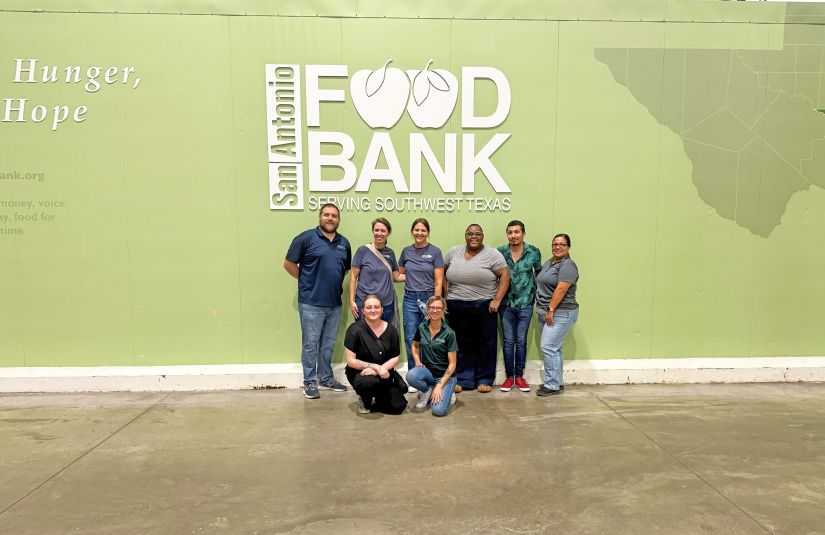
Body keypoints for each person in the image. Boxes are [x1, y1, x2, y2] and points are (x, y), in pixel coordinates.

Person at [284, 203, 352, 400]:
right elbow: (288, 264)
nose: (330, 218)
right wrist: (306, 280)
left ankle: (326, 378)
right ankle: (309, 381)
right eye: (327, 215)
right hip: (311, 303)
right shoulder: (305, 238)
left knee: (328, 344)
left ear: (339, 220)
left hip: (335, 304)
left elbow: (345, 269)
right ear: (320, 217)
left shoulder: (344, 243)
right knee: (310, 343)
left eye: (334, 216)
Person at [443, 224, 509, 393]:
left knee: (485, 343)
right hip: (455, 306)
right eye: (470, 233)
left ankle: (484, 379)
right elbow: (440, 273)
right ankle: (464, 379)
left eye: (477, 234)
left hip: (483, 305)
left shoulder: (492, 254)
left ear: (482, 236)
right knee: (461, 343)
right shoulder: (453, 252)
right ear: (465, 235)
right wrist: (443, 297)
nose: (474, 236)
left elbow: (505, 275)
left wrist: (497, 300)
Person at [497, 220, 542, 392]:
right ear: (507, 234)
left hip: (526, 304)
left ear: (523, 233)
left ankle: (519, 376)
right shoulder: (499, 253)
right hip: (506, 304)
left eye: (517, 232)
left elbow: (538, 275)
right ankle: (509, 377)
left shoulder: (533, 252)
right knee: (509, 341)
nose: (513, 235)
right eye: (510, 232)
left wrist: (538, 298)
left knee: (521, 341)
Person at [344, 295, 407, 415]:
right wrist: (376, 367)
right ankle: (365, 398)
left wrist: (379, 369)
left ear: (382, 309)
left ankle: (378, 395)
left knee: (398, 407)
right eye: (369, 307)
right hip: (361, 374)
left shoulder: (391, 330)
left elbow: (395, 358)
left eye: (376, 307)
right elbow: (351, 361)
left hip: (384, 372)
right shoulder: (354, 330)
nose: (373, 310)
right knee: (369, 382)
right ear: (362, 310)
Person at [535, 233, 579, 397]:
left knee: (548, 347)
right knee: (555, 348)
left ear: (568, 247)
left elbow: (561, 289)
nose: (557, 247)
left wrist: (550, 309)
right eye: (554, 244)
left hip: (560, 312)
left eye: (561, 244)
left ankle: (552, 385)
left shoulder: (568, 265)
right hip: (547, 312)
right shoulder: (550, 262)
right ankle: (557, 382)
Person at [398, 218, 444, 375]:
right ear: (412, 232)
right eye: (417, 230)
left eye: (423, 230)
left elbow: (439, 281)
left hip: (429, 299)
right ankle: (414, 373)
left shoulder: (435, 252)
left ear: (428, 233)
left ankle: (429, 373)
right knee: (411, 337)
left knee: (428, 337)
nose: (420, 233)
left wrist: (435, 305)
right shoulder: (406, 251)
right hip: (410, 299)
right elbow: (400, 273)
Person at [407, 296, 457, 417]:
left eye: (438, 308)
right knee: (411, 375)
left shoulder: (449, 333)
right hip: (428, 374)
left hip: (445, 376)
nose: (435, 311)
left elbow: (453, 364)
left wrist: (440, 386)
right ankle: (427, 389)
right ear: (427, 309)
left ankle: (447, 390)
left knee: (438, 411)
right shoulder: (421, 328)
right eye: (432, 307)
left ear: (444, 310)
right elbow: (415, 346)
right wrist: (418, 362)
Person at [349, 218, 405, 324]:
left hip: (386, 305)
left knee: (383, 337)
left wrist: (417, 275)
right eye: (376, 230)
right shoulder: (362, 251)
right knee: (364, 337)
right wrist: (352, 301)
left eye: (383, 231)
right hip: (365, 304)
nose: (379, 233)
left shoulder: (390, 253)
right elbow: (353, 276)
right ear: (373, 231)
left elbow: (396, 277)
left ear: (389, 233)